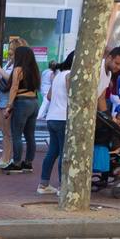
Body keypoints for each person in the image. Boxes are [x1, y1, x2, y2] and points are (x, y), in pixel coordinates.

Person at [0, 45, 42, 173]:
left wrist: (9, 106)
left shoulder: (18, 69)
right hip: (34, 102)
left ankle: (17, 163)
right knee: (30, 135)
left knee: (17, 134)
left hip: (21, 102)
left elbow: (14, 88)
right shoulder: (35, 69)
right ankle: (28, 162)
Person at [37, 52, 73, 195]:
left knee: (52, 151)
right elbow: (73, 94)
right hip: (63, 117)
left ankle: (43, 184)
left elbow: (49, 96)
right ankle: (61, 185)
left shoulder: (58, 75)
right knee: (64, 153)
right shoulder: (70, 75)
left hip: (52, 117)